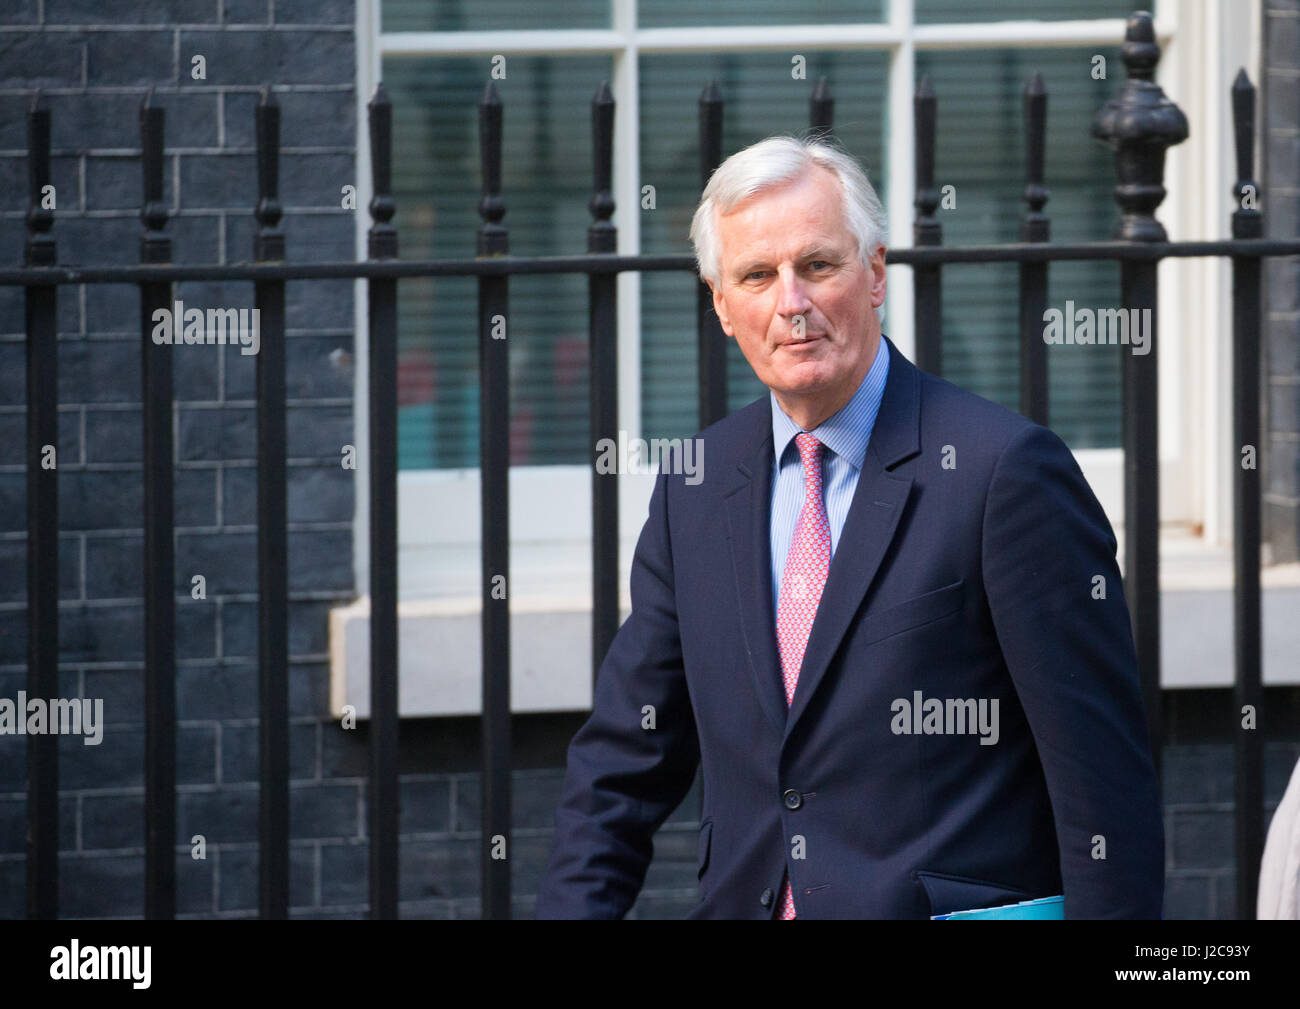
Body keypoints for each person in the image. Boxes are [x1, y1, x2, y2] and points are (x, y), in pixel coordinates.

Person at [535, 135, 1164, 919]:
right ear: (723, 304)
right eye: (757, 276)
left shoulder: (1004, 472)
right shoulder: (693, 486)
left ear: (874, 274)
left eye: (819, 265)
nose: (790, 303)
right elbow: (622, 764)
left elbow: (1103, 786)